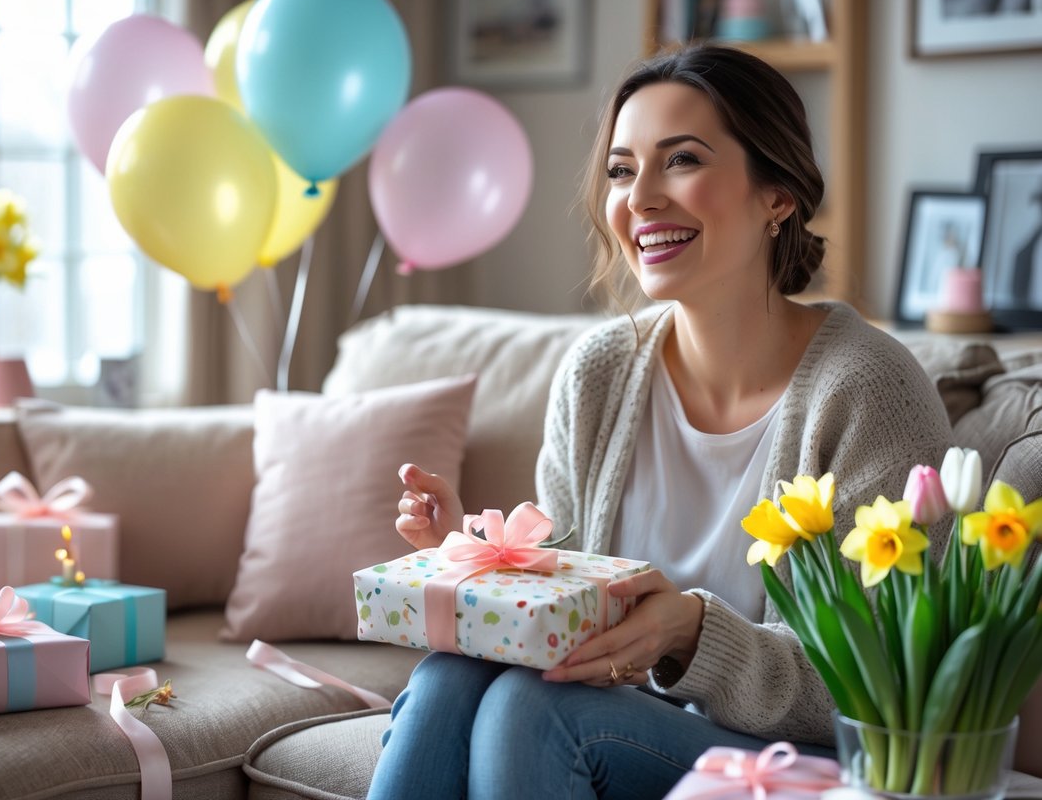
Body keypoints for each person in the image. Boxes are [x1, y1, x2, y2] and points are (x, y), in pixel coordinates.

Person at [367, 44, 954, 800]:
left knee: (530, 708)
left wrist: (690, 633)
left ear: (775, 195)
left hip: (795, 758)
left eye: (680, 160)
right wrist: (475, 562)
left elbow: (880, 681)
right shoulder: (599, 371)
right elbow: (566, 599)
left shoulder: (868, 387)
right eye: (620, 169)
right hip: (625, 722)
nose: (639, 197)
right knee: (453, 675)